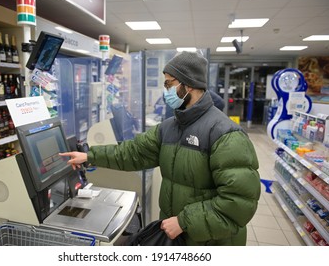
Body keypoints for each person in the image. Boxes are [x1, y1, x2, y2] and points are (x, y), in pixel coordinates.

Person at [60, 51, 261, 246]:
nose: (165, 90)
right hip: (178, 240)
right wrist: (89, 156)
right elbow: (132, 153)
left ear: (188, 85)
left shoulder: (225, 134)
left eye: (169, 83)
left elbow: (238, 203)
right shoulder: (169, 128)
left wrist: (184, 222)